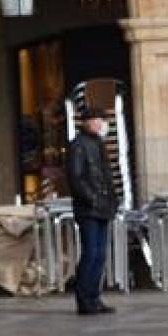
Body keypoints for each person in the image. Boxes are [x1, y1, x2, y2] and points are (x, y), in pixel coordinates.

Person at [66, 111, 117, 316]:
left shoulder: (98, 144)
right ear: (88, 122)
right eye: (98, 120)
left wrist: (111, 200)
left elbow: (105, 175)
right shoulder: (78, 145)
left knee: (100, 254)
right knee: (91, 252)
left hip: (102, 207)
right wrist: (93, 199)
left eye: (102, 121)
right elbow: (77, 178)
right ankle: (84, 299)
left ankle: (94, 297)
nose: (102, 124)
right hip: (89, 208)